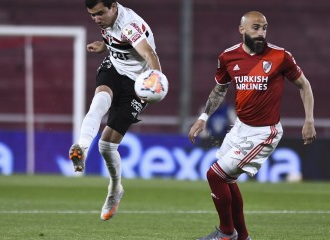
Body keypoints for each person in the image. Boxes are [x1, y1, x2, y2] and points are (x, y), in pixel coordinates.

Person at [188, 11, 316, 240]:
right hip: (240, 127)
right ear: (242, 29)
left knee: (215, 176)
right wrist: (203, 118)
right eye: (256, 28)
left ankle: (227, 232)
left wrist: (309, 119)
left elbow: (304, 85)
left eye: (264, 28)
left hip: (265, 132)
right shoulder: (228, 57)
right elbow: (219, 90)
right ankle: (243, 237)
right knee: (227, 179)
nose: (261, 33)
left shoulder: (280, 56)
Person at [69, 0, 162, 221]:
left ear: (113, 7)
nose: (96, 19)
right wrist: (103, 46)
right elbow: (113, 36)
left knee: (106, 145)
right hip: (114, 68)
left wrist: (157, 79)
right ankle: (80, 147)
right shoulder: (106, 18)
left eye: (100, 13)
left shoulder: (129, 25)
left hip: (137, 84)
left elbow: (150, 54)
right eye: (92, 15)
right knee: (99, 101)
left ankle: (115, 189)